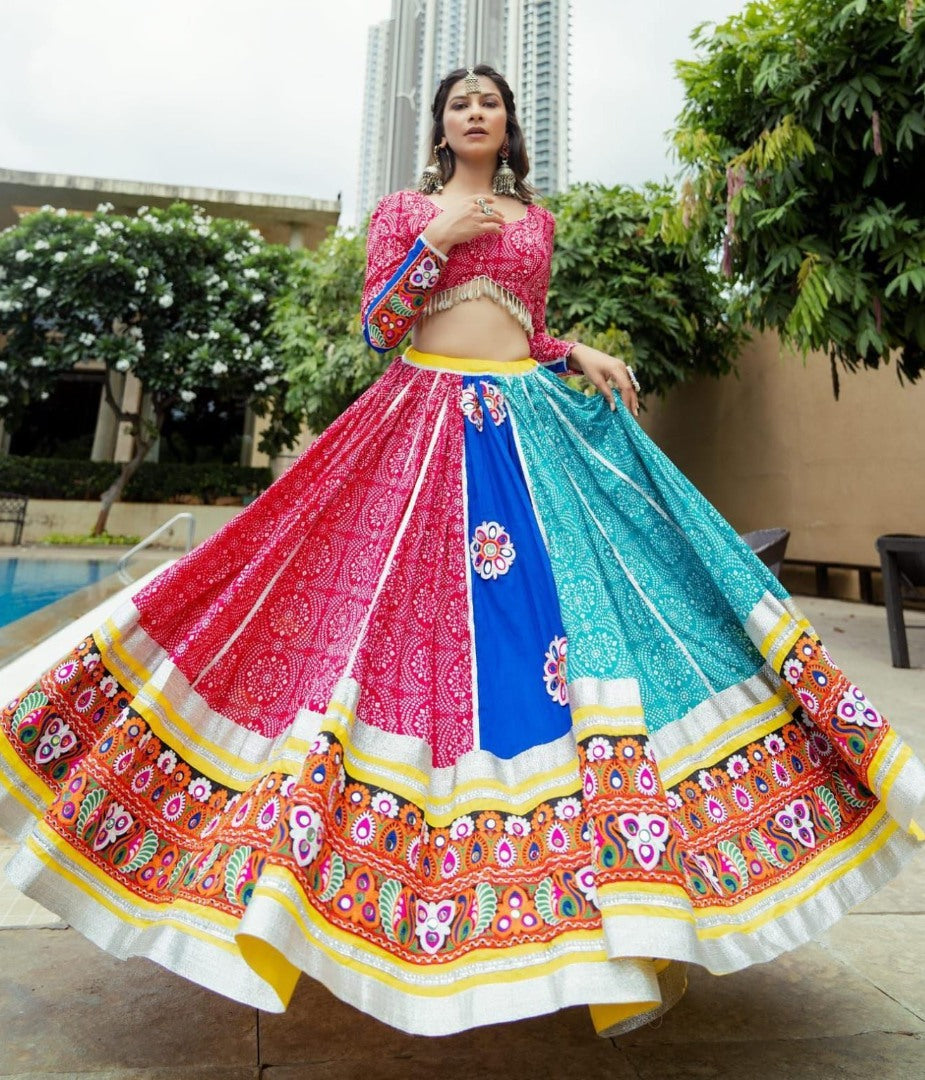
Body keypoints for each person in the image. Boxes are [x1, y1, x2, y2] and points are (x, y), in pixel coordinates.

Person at [0, 64, 922, 1041]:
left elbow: (518, 332)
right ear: (441, 126)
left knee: (564, 627)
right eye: (458, 103)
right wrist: (434, 241)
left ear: (508, 124)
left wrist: (577, 354)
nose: (475, 113)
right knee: (365, 622)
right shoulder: (405, 210)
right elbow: (378, 327)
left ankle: (591, 897)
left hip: (522, 431)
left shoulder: (536, 222)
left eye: (490, 102)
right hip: (416, 425)